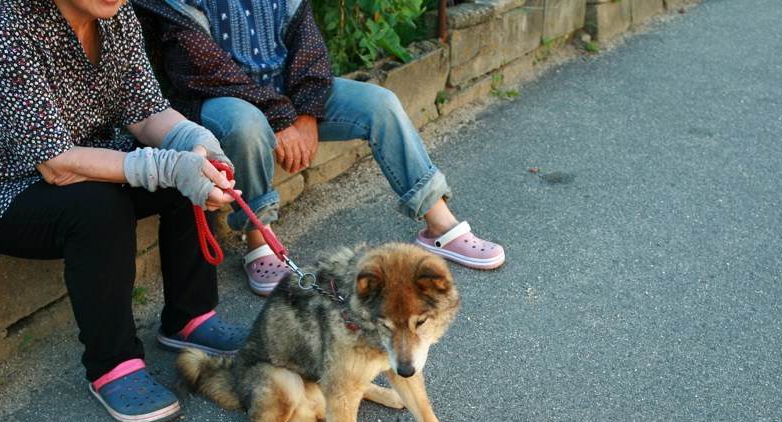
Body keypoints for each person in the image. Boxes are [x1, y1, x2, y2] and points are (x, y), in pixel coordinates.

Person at [0, 0, 251, 422]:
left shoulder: (113, 12)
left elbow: (146, 111)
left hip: (81, 158)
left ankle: (190, 318)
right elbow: (56, 165)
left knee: (182, 167)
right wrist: (169, 166)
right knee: (100, 205)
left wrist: (197, 144)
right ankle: (112, 365)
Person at [133, 0, 505, 297]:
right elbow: (201, 67)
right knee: (248, 125)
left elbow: (308, 44)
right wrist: (281, 117)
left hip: (286, 90)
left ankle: (440, 223)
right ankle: (259, 242)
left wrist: (308, 113)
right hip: (213, 97)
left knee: (381, 103)